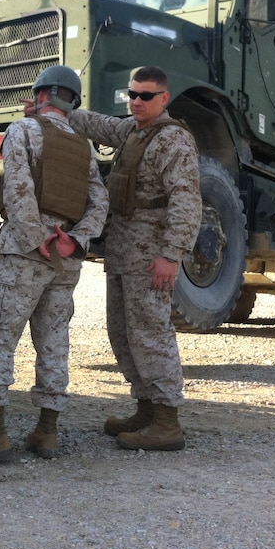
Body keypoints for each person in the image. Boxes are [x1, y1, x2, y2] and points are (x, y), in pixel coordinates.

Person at [0, 65, 108, 463]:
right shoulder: (84, 145)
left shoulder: (22, 129)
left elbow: (18, 191)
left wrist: (37, 239)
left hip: (24, 250)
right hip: (66, 255)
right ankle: (47, 433)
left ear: (39, 94)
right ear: (73, 101)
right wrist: (75, 240)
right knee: (54, 340)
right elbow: (99, 201)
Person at [66, 65, 201, 451]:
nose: (137, 102)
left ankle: (168, 420)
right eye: (133, 94)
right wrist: (54, 109)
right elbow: (99, 124)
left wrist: (171, 255)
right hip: (123, 251)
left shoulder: (173, 140)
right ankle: (146, 408)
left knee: (151, 333)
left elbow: (187, 201)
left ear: (164, 99)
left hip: (151, 254)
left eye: (146, 96)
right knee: (123, 333)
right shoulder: (133, 131)